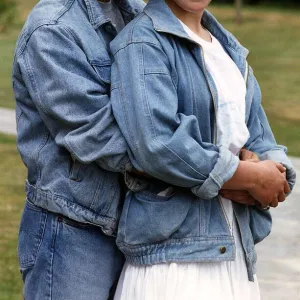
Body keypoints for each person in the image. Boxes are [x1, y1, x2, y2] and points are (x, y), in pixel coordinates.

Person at [109, 0, 297, 299]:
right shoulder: (142, 43)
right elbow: (158, 146)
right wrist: (244, 175)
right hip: (175, 261)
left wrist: (276, 173)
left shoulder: (228, 48)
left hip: (235, 253)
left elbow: (260, 137)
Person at [12, 0, 145, 299]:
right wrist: (201, 172)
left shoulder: (134, 12)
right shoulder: (52, 27)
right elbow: (99, 139)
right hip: (70, 235)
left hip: (131, 228)